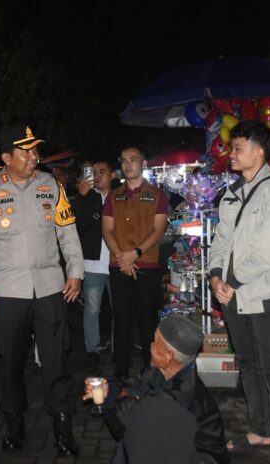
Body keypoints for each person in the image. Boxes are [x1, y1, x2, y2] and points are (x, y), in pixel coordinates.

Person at [0, 125, 84, 456]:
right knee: (10, 365)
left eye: (35, 150)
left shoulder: (52, 185)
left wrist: (75, 272)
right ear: (7, 158)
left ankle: (63, 428)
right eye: (26, 151)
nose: (34, 156)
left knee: (56, 361)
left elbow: (67, 231)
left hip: (50, 289)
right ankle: (14, 425)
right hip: (8, 293)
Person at [207, 120, 270, 464]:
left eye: (238, 148)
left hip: (264, 294)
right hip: (233, 294)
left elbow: (267, 252)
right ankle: (261, 430)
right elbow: (221, 240)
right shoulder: (233, 193)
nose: (231, 154)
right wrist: (215, 277)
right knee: (248, 365)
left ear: (258, 152)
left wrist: (230, 283)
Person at [83, 314, 228, 464]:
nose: (150, 346)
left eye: (155, 343)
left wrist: (121, 398)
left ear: (169, 356)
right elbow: (138, 387)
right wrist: (110, 390)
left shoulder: (178, 400)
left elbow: (129, 422)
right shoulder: (164, 372)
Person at [102, 147, 168, 379]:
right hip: (119, 265)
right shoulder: (114, 196)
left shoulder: (157, 195)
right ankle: (121, 371)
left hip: (147, 265)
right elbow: (107, 230)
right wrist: (122, 256)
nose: (128, 164)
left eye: (133, 160)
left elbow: (158, 230)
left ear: (144, 163)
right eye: (124, 161)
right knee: (120, 320)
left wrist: (135, 253)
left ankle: (149, 372)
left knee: (147, 321)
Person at [73, 160, 116, 368]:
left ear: (112, 175)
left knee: (119, 309)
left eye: (102, 171)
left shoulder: (120, 197)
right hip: (92, 264)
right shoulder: (87, 198)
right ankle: (92, 350)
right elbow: (74, 226)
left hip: (117, 262)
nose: (97, 176)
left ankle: (119, 348)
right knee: (92, 310)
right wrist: (81, 196)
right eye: (94, 172)